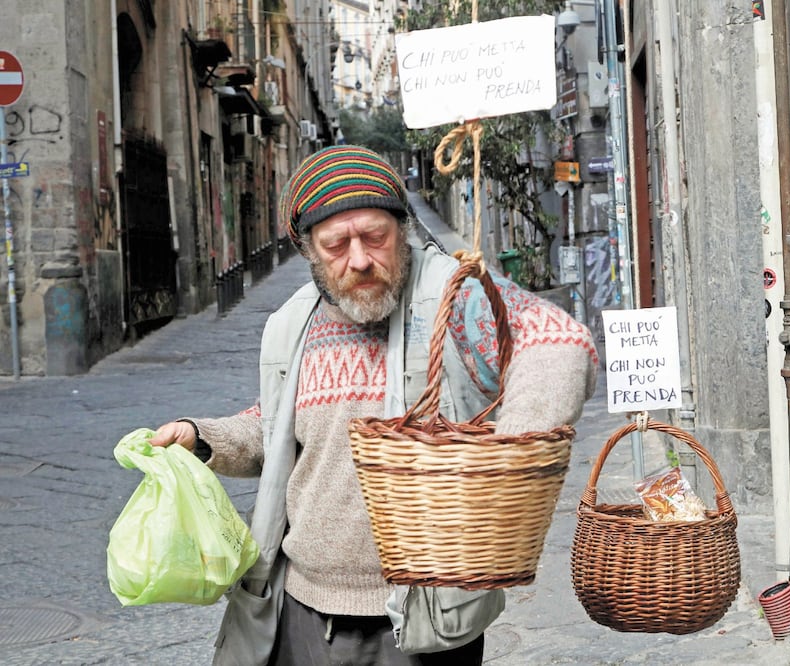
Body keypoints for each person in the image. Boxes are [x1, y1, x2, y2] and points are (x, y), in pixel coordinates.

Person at [151, 145, 598, 666]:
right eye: (336, 244)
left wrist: (510, 450)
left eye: (375, 237)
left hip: (424, 613)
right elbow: (275, 430)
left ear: (402, 230)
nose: (359, 259)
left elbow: (559, 342)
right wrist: (200, 436)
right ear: (310, 252)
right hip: (302, 609)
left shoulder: (454, 294)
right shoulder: (291, 325)